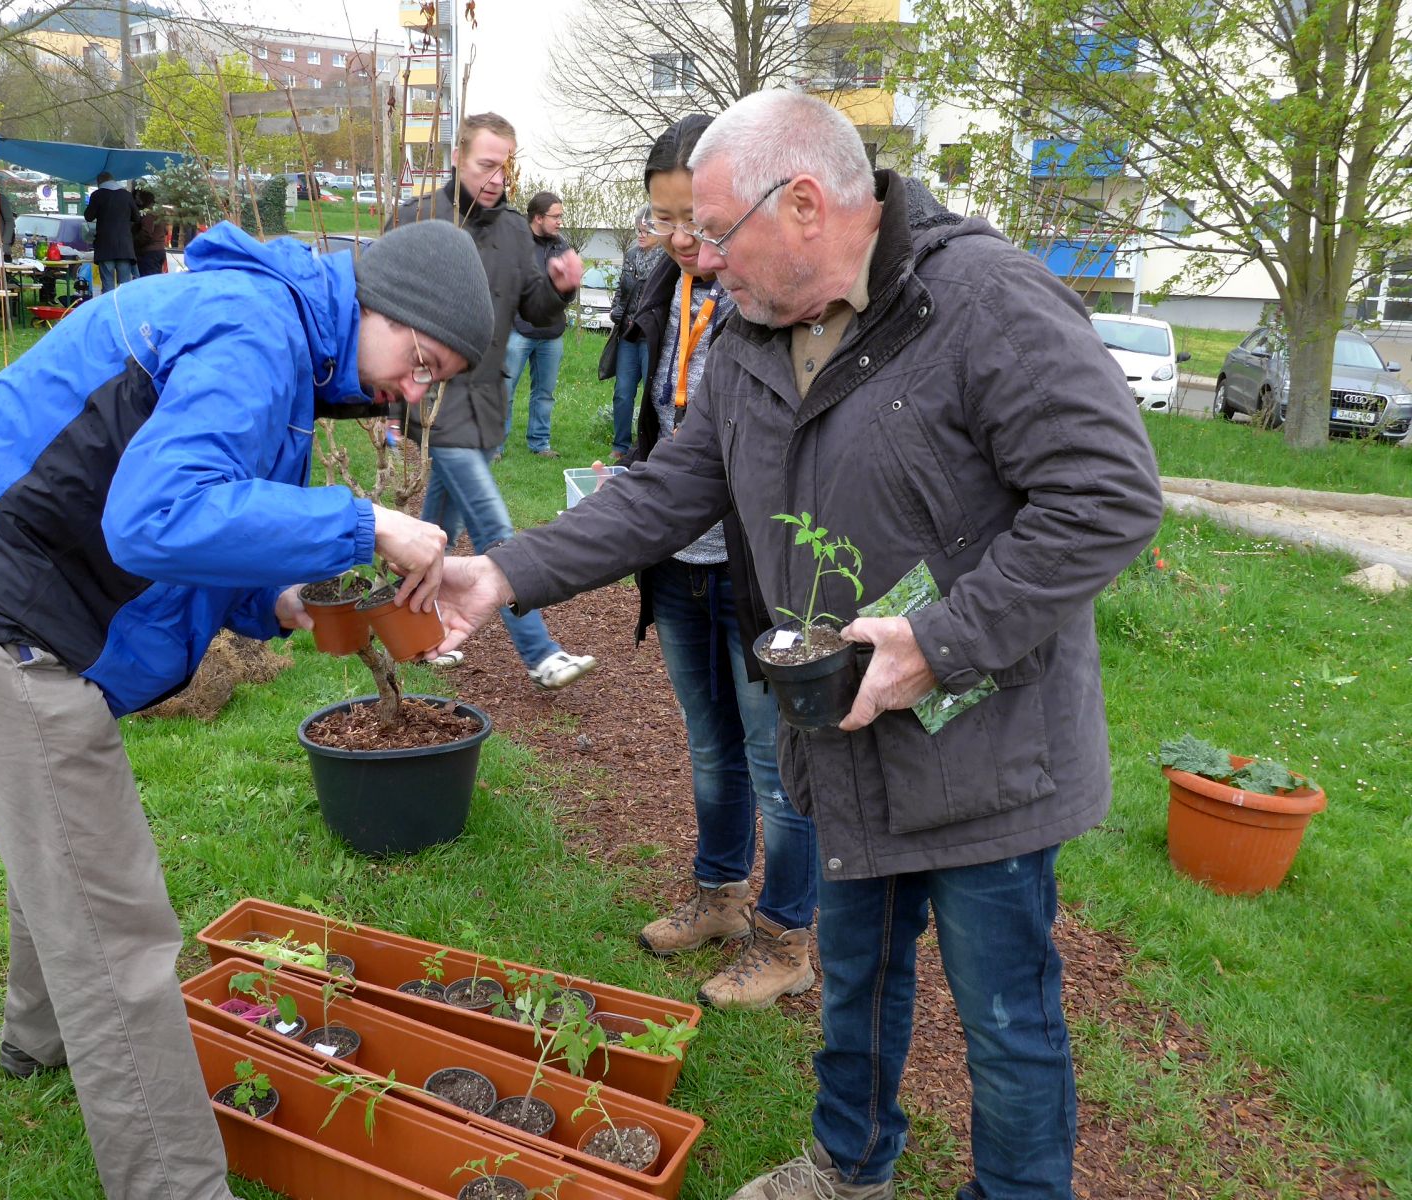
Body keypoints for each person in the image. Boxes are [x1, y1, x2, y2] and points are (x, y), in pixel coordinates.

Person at [434, 89, 1164, 1200]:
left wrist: (941, 641)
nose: (705, 261)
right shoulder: (749, 335)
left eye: (719, 234)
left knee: (1005, 1014)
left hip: (988, 745)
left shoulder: (985, 303)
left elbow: (1108, 497)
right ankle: (849, 1164)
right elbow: (670, 487)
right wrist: (506, 571)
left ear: (809, 204)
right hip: (847, 729)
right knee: (860, 975)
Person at [0, 218, 494, 1200]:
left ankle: (35, 1044)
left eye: (436, 376)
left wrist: (284, 600)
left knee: (59, 836)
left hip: (10, 585)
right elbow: (155, 513)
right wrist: (366, 520)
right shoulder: (255, 327)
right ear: (375, 304)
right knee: (113, 916)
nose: (416, 389)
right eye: (420, 359)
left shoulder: (284, 340)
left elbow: (211, 521)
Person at [615, 114, 820, 1011]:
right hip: (677, 559)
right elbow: (667, 413)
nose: (679, 240)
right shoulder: (668, 282)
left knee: (779, 763)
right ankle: (720, 897)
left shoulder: (772, 294)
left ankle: (787, 939)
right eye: (662, 219)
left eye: (694, 221)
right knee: (709, 748)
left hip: (757, 571)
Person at [393, 112, 597, 691]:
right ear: (457, 158)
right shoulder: (416, 219)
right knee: (493, 525)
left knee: (434, 527)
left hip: (487, 400)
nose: (497, 176)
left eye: (505, 165)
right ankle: (540, 651)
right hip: (432, 399)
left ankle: (413, 626)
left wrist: (560, 288)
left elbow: (533, 309)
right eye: (486, 163)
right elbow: (379, 310)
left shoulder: (512, 231)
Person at [503, 191, 573, 457]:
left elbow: (569, 294)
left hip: (552, 333)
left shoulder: (562, 247)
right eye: (556, 217)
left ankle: (540, 444)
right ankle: (496, 446)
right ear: (538, 217)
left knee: (544, 393)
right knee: (505, 390)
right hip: (520, 331)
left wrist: (567, 284)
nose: (560, 222)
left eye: (561, 217)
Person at [604, 204, 662, 463]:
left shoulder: (667, 260)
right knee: (623, 392)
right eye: (638, 229)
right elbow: (621, 290)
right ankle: (620, 446)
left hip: (650, 338)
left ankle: (650, 445)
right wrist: (616, 311)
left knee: (652, 395)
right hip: (628, 335)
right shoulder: (630, 255)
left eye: (646, 230)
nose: (640, 235)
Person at [84, 171, 140, 292]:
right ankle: (124, 309)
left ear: (99, 182)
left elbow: (88, 216)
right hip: (124, 247)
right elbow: (137, 217)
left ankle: (109, 309)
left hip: (105, 246)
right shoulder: (126, 195)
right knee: (125, 286)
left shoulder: (97, 195)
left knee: (108, 284)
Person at [134, 189, 169, 276]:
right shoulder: (159, 212)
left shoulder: (149, 213)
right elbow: (165, 231)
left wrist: (134, 243)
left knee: (147, 282)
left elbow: (147, 233)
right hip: (160, 250)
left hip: (150, 253)